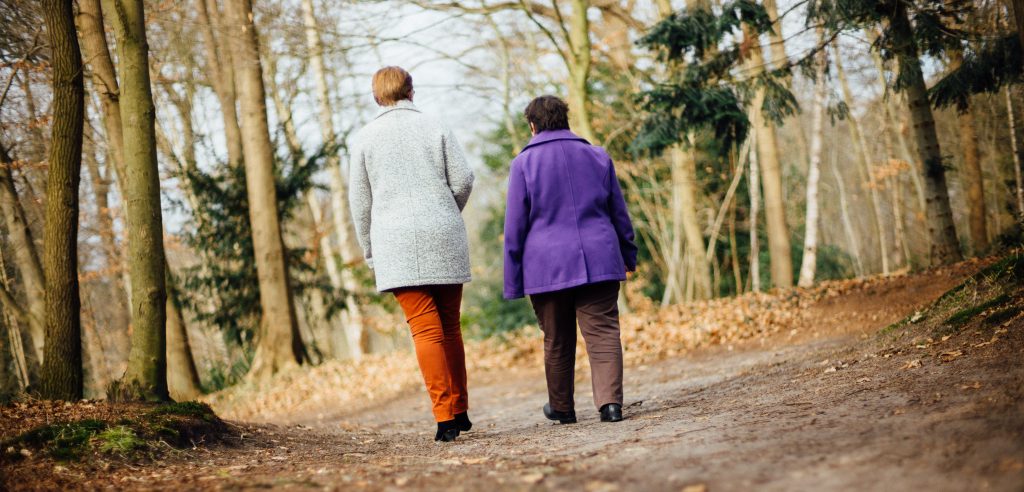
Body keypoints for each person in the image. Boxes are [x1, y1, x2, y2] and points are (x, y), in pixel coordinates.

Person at [349, 66, 475, 442]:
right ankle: (461, 408)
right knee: (450, 326)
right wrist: (446, 210)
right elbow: (465, 179)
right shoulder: (436, 125)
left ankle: (444, 418)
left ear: (376, 97)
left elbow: (360, 202)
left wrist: (371, 250)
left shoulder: (365, 139)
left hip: (396, 242)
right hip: (443, 233)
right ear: (411, 91)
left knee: (425, 329)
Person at [503, 95, 638, 424]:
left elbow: (515, 227)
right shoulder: (597, 156)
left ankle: (562, 408)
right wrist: (628, 253)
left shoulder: (524, 164)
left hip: (546, 265)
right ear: (565, 121)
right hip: (599, 257)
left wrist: (513, 281)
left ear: (532, 126)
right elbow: (618, 212)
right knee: (603, 332)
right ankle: (610, 405)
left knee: (557, 337)